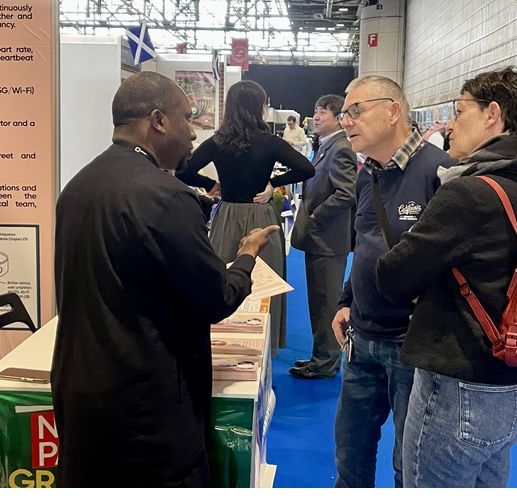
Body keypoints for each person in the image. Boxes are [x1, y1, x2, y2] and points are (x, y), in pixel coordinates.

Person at [51, 72, 279, 487]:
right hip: (146, 403)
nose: (193, 132)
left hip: (80, 388)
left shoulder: (78, 185)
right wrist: (246, 257)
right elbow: (216, 298)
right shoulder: (166, 196)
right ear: (158, 120)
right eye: (186, 118)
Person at [375, 66, 517, 488]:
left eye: (459, 111)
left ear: (492, 114)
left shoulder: (467, 192)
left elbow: (393, 277)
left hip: (461, 390)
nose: (450, 125)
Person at [330, 75, 455, 487]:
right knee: (350, 454)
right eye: (343, 113)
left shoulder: (440, 173)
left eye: (355, 110)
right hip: (361, 338)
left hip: (412, 346)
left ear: (393, 111)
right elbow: (364, 245)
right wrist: (346, 301)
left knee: (410, 464)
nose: (345, 120)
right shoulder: (368, 174)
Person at [176, 81, 314, 357]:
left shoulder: (216, 141)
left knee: (222, 280)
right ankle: (263, 348)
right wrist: (274, 183)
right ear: (259, 107)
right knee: (264, 284)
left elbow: (183, 171)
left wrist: (210, 185)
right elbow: (306, 168)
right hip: (262, 217)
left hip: (226, 216)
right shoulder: (271, 142)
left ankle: (223, 345)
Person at [289, 94, 357, 380]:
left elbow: (346, 192)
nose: (316, 117)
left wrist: (317, 217)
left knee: (327, 303)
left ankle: (326, 363)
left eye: (322, 113)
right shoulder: (326, 146)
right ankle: (321, 357)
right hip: (320, 240)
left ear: (338, 118)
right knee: (319, 302)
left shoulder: (340, 148)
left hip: (328, 240)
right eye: (315, 111)